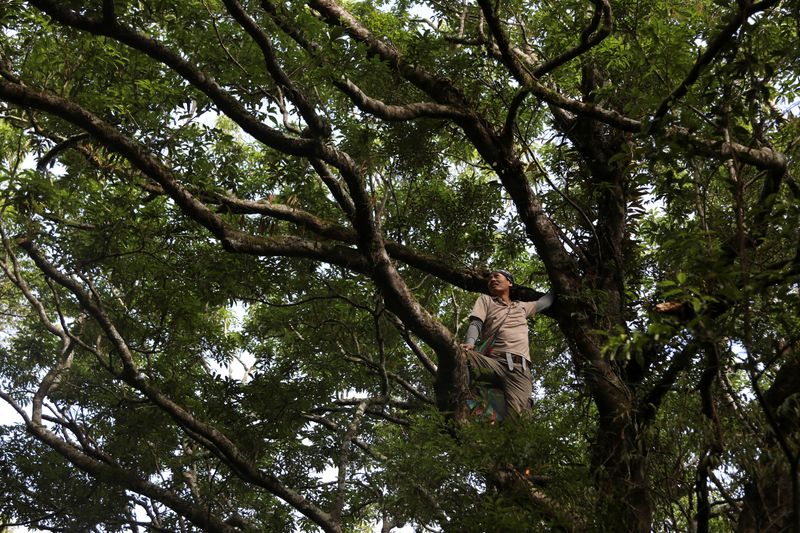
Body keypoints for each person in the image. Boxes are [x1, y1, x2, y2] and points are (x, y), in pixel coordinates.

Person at [461, 270, 553, 415]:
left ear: (509, 282)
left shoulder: (522, 307)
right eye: (490, 278)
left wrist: (558, 284)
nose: (492, 279)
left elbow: (545, 302)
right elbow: (476, 323)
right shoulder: (486, 300)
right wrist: (470, 342)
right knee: (461, 356)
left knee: (517, 420)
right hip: (493, 362)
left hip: (519, 369)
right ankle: (463, 404)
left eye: (497, 276)